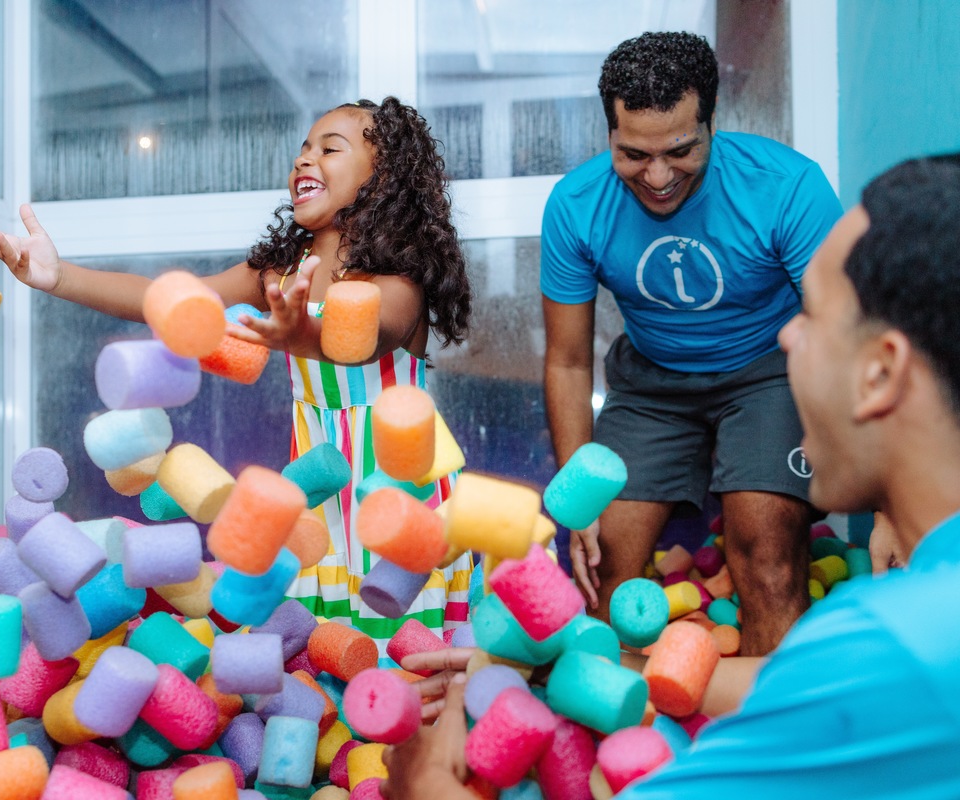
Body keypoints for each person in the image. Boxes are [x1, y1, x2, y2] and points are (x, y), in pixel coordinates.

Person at [386, 154, 960, 798]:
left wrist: (427, 778)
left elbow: (850, 673)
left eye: (814, 316)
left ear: (881, 372)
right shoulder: (904, 632)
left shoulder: (895, 642)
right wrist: (563, 669)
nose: (788, 338)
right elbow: (787, 682)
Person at [0, 97, 474, 656]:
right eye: (303, 148)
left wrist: (294, 336)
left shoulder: (400, 277)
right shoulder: (280, 271)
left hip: (397, 486)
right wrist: (59, 277)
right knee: (325, 651)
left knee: (402, 650)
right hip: (317, 486)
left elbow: (368, 340)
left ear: (385, 177)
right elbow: (172, 300)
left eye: (330, 148)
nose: (306, 160)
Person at [540, 31, 843, 655]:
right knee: (600, 567)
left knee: (765, 557)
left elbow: (851, 338)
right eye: (632, 155)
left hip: (771, 374)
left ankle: (767, 740)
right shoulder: (575, 206)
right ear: (610, 136)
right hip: (651, 385)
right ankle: (616, 744)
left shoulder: (787, 188)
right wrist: (577, 502)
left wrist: (890, 498)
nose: (656, 177)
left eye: (680, 151)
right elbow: (568, 363)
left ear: (711, 123)